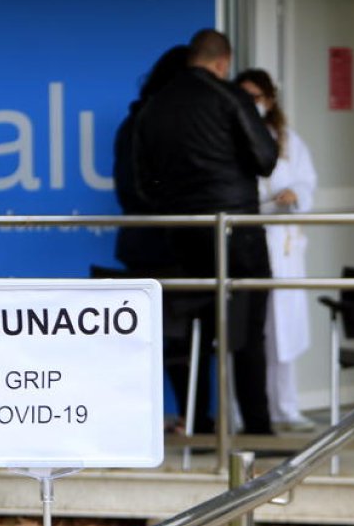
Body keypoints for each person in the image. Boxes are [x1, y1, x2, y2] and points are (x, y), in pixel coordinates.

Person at [132, 29, 279, 435]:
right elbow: (266, 159)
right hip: (238, 234)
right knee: (246, 337)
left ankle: (196, 426)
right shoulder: (230, 96)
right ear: (222, 62)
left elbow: (143, 184)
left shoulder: (154, 107)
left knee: (194, 334)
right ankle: (257, 429)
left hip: (183, 237)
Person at [236, 68, 318, 433]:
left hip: (282, 244)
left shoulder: (288, 140)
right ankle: (242, 412)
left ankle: (286, 407)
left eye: (257, 97)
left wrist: (295, 194)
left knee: (283, 330)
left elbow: (306, 180)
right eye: (245, 97)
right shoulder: (233, 136)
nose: (252, 105)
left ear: (269, 99)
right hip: (251, 240)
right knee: (250, 332)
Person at [112, 45, 189, 273]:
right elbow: (133, 186)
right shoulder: (147, 123)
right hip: (163, 244)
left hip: (148, 242)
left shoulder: (135, 121)